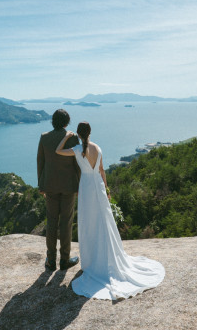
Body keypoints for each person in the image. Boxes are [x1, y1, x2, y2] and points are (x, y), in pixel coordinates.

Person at [55, 122, 165, 300]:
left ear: (79, 135)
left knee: (88, 222)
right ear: (90, 133)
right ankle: (107, 256)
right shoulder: (98, 147)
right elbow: (101, 170)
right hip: (97, 186)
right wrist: (106, 189)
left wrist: (66, 137)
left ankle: (92, 260)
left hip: (86, 188)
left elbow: (58, 151)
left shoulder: (76, 149)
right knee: (104, 222)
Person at [36, 109, 80, 272]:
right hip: (69, 186)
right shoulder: (72, 137)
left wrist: (41, 185)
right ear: (66, 122)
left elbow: (40, 161)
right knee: (66, 223)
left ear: (52, 121)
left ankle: (51, 260)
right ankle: (65, 260)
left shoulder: (44, 137)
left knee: (52, 221)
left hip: (50, 186)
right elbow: (78, 163)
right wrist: (79, 185)